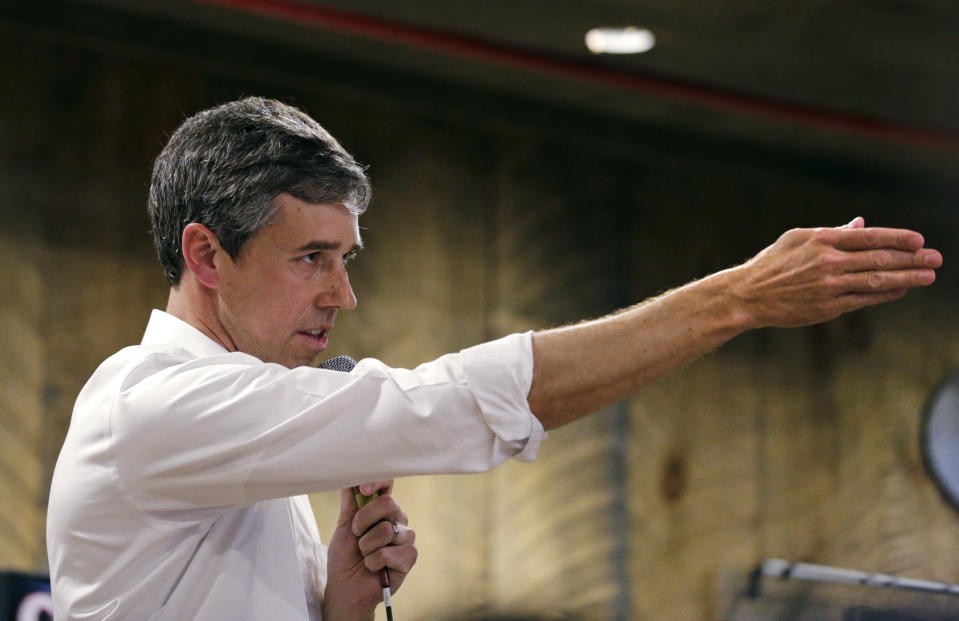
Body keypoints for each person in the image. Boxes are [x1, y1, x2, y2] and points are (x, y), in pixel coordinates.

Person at [45, 97, 942, 621]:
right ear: (207, 257)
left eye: (343, 260)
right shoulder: (155, 404)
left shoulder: (234, 421)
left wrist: (340, 607)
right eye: (310, 257)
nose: (340, 295)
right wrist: (732, 299)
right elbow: (433, 404)